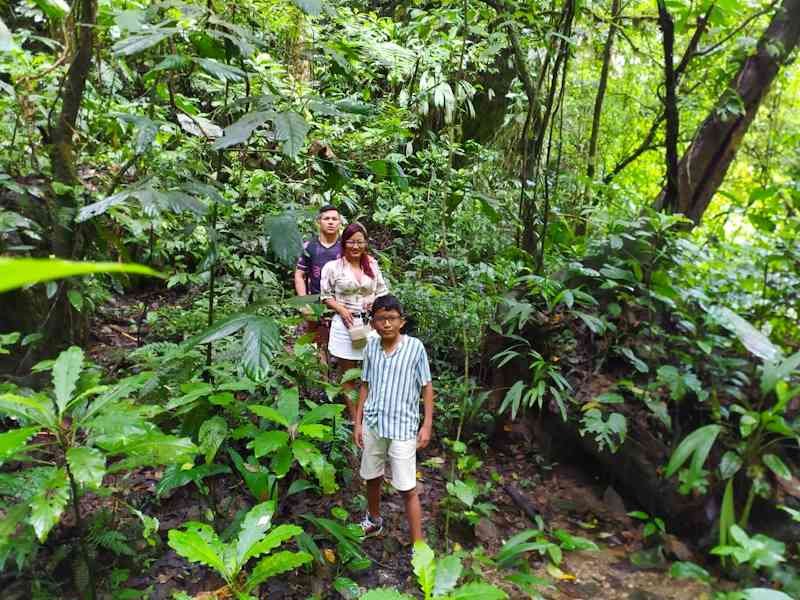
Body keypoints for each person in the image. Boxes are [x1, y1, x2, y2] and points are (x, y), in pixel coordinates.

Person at [353, 295, 434, 544]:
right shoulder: (371, 348)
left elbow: (426, 386)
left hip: (403, 426)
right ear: (374, 322)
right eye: (380, 319)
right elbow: (365, 385)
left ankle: (418, 545)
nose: (386, 324)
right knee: (372, 476)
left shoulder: (414, 348)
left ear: (401, 322)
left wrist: (427, 424)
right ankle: (374, 520)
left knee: (407, 487)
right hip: (374, 423)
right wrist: (358, 422)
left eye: (391, 318)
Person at [320, 222, 388, 420]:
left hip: (370, 325)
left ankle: (371, 412)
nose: (355, 246)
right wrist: (340, 308)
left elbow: (383, 291)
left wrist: (374, 303)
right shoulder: (333, 267)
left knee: (373, 369)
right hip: (345, 325)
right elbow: (325, 295)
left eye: (360, 242)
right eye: (351, 242)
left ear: (365, 243)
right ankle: (355, 417)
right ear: (344, 243)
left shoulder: (372, 265)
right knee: (348, 374)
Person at [294, 205, 342, 359]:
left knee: (340, 342)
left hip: (341, 303)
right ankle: (319, 371)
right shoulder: (309, 246)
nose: (330, 222)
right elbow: (299, 275)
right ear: (318, 222)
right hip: (315, 301)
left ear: (340, 223)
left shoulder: (346, 247)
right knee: (315, 338)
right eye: (326, 218)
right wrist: (304, 302)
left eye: (334, 219)